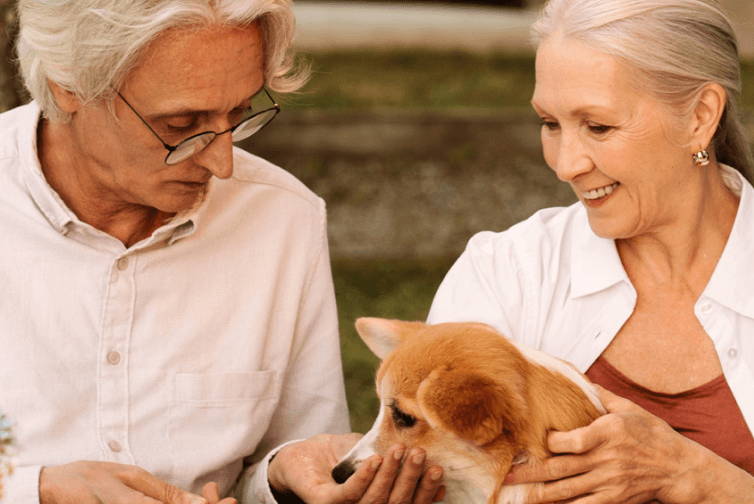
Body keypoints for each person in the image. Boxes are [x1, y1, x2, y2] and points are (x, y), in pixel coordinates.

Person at [0, 1, 444, 504]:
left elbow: (290, 453)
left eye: (239, 114)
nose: (223, 161)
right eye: (181, 124)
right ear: (68, 84)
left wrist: (284, 475)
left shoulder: (283, 217)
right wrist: (34, 490)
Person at [427, 0, 754, 501]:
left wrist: (691, 475)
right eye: (550, 123)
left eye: (598, 127)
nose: (565, 165)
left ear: (700, 116)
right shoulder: (507, 273)